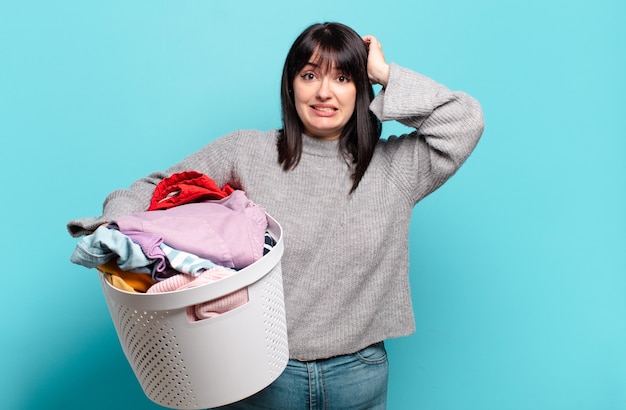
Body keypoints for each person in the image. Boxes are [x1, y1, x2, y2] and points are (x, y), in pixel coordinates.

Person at [67, 22, 484, 409]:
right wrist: (113, 230)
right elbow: (156, 188)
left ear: (362, 88)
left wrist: (386, 72)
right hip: (260, 373)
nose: (325, 92)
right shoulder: (247, 151)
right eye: (309, 75)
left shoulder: (396, 167)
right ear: (290, 86)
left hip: (359, 374)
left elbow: (465, 122)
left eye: (343, 78)